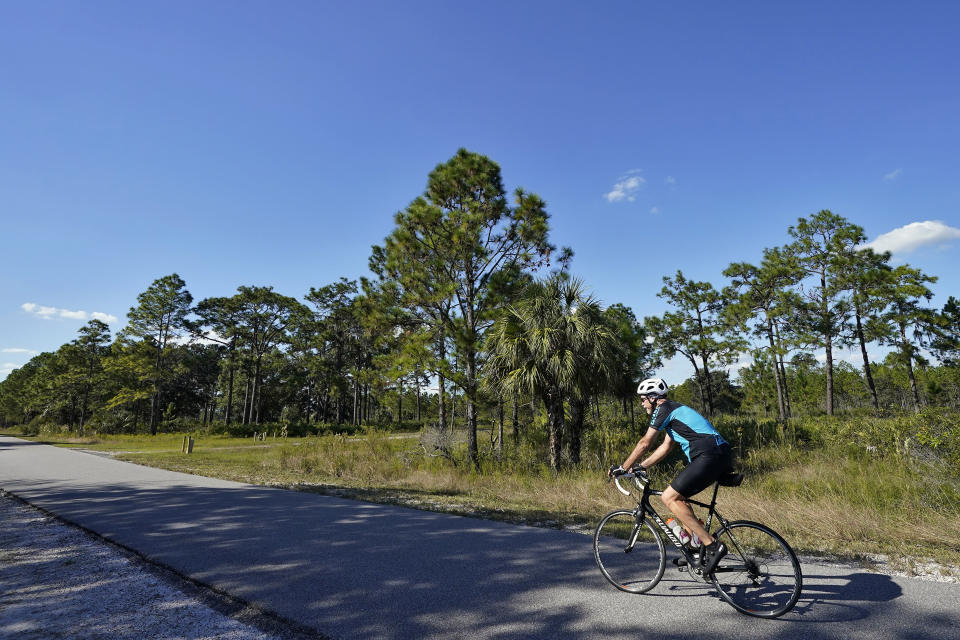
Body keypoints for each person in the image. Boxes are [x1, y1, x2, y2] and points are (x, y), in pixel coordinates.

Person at [608, 377, 733, 574]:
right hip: (721, 454)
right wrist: (640, 466)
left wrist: (623, 467)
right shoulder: (674, 412)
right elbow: (665, 447)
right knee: (680, 497)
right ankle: (694, 549)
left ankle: (712, 545)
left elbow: (645, 443)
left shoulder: (663, 409)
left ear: (652, 397)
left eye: (643, 399)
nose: (641, 404)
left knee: (669, 497)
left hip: (708, 455)